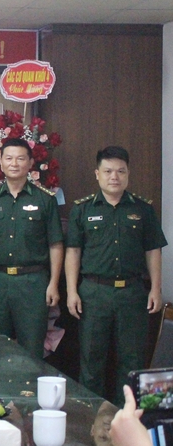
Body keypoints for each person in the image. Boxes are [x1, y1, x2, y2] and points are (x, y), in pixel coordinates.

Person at [65, 146, 166, 402]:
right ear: (97, 174)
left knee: (131, 361)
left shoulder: (143, 209)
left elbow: (153, 250)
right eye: (108, 171)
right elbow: (73, 252)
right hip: (93, 292)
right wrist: (71, 291)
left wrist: (155, 288)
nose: (114, 177)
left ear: (128, 174)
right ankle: (92, 419)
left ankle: (128, 420)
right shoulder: (83, 208)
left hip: (132, 292)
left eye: (121, 171)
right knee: (91, 359)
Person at [0, 138, 64, 358]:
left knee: (32, 347)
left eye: (21, 158)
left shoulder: (45, 200)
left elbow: (55, 244)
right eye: (9, 158)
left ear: (30, 163)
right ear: (1, 163)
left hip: (33, 283)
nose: (14, 163)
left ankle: (30, 392)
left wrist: (53, 283)